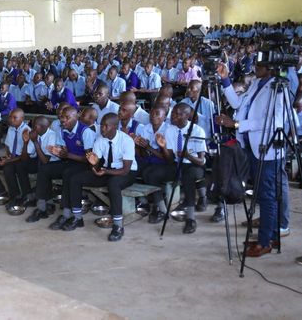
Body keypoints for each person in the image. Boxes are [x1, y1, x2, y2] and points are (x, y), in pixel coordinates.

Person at [215, 61, 287, 257]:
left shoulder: (278, 89)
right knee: (262, 194)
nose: (255, 67)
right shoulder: (257, 83)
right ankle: (269, 235)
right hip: (252, 147)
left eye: (260, 65)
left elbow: (273, 121)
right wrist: (225, 79)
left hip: (268, 149)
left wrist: (237, 124)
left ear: (270, 67)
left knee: (267, 196)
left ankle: (265, 242)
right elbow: (238, 104)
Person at [69, 113, 138, 241]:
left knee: (113, 183)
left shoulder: (126, 140)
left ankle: (118, 226)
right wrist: (93, 163)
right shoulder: (100, 139)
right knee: (75, 179)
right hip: (107, 171)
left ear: (115, 126)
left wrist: (105, 172)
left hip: (127, 173)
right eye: (102, 125)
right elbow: (97, 165)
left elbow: (125, 170)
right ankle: (77, 218)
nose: (102, 129)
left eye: (106, 126)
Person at [26, 107, 95, 229]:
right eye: (62, 117)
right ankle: (43, 207)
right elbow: (65, 152)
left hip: (86, 165)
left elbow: (90, 160)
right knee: (45, 168)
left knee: (68, 174)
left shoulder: (85, 132)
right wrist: (59, 152)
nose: (63, 120)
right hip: (71, 161)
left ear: (77, 117)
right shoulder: (64, 131)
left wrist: (68, 155)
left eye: (67, 117)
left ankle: (69, 215)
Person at [155, 103, 207, 234]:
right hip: (177, 164)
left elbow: (201, 161)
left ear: (187, 116)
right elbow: (170, 159)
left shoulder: (197, 130)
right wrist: (163, 147)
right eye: (173, 113)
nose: (173, 116)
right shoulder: (170, 130)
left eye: (178, 114)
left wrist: (187, 156)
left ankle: (190, 218)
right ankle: (162, 210)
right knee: (151, 173)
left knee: (188, 176)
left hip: (193, 164)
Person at [0, 109, 33, 206]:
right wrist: (7, 156)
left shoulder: (27, 131)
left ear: (22, 119)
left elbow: (26, 155)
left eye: (15, 118)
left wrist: (8, 161)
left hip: (24, 159)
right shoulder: (11, 128)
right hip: (13, 157)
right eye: (10, 117)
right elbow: (8, 145)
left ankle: (16, 197)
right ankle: (1, 192)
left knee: (8, 168)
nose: (11, 120)